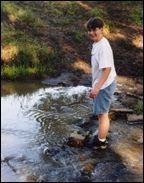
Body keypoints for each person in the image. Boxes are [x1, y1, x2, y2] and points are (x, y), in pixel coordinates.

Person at [86, 17, 117, 149]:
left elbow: (107, 69)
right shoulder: (98, 43)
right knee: (101, 113)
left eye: (94, 30)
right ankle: (101, 136)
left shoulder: (102, 47)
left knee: (103, 114)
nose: (92, 33)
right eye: (89, 30)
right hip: (104, 83)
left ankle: (101, 142)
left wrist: (97, 88)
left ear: (101, 29)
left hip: (104, 85)